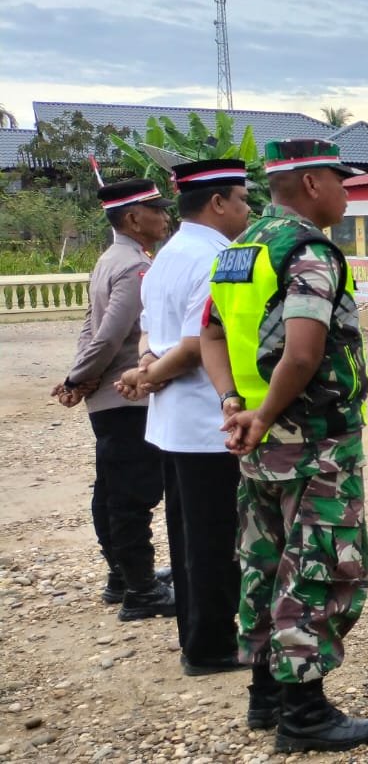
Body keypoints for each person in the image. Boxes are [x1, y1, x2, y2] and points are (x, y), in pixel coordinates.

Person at [200, 139, 368, 752]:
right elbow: (304, 353)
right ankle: (304, 711)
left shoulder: (241, 249)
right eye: (340, 179)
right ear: (310, 184)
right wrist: (267, 412)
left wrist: (235, 406)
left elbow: (211, 336)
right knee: (318, 564)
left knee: (264, 561)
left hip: (256, 438)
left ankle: (265, 694)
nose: (346, 191)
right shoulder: (307, 251)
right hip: (312, 440)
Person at [117, 159, 253, 676]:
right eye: (241, 199)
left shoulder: (169, 253)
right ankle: (212, 645)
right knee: (216, 539)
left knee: (188, 534)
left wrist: (146, 368)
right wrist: (150, 374)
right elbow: (200, 342)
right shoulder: (217, 257)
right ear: (217, 203)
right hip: (206, 418)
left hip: (175, 420)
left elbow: (154, 332)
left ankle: (197, 638)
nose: (247, 209)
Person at [52, 178, 177, 621]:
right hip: (128, 396)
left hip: (105, 396)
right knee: (132, 496)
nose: (164, 216)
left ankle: (122, 577)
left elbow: (91, 328)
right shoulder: (135, 267)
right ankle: (141, 590)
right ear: (132, 218)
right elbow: (111, 335)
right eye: (156, 209)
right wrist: (79, 376)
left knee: (110, 490)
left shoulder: (111, 259)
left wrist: (80, 378)